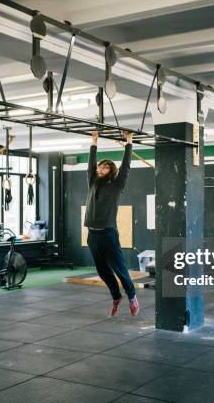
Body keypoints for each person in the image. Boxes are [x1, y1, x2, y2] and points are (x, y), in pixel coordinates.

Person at [85, 130, 139, 316]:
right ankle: (116, 297)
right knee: (102, 271)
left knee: (119, 269)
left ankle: (132, 295)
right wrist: (94, 140)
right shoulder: (92, 182)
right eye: (100, 167)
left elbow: (126, 167)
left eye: (105, 168)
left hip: (108, 233)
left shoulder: (117, 185)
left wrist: (129, 141)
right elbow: (91, 163)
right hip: (92, 234)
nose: (100, 169)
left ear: (111, 172)